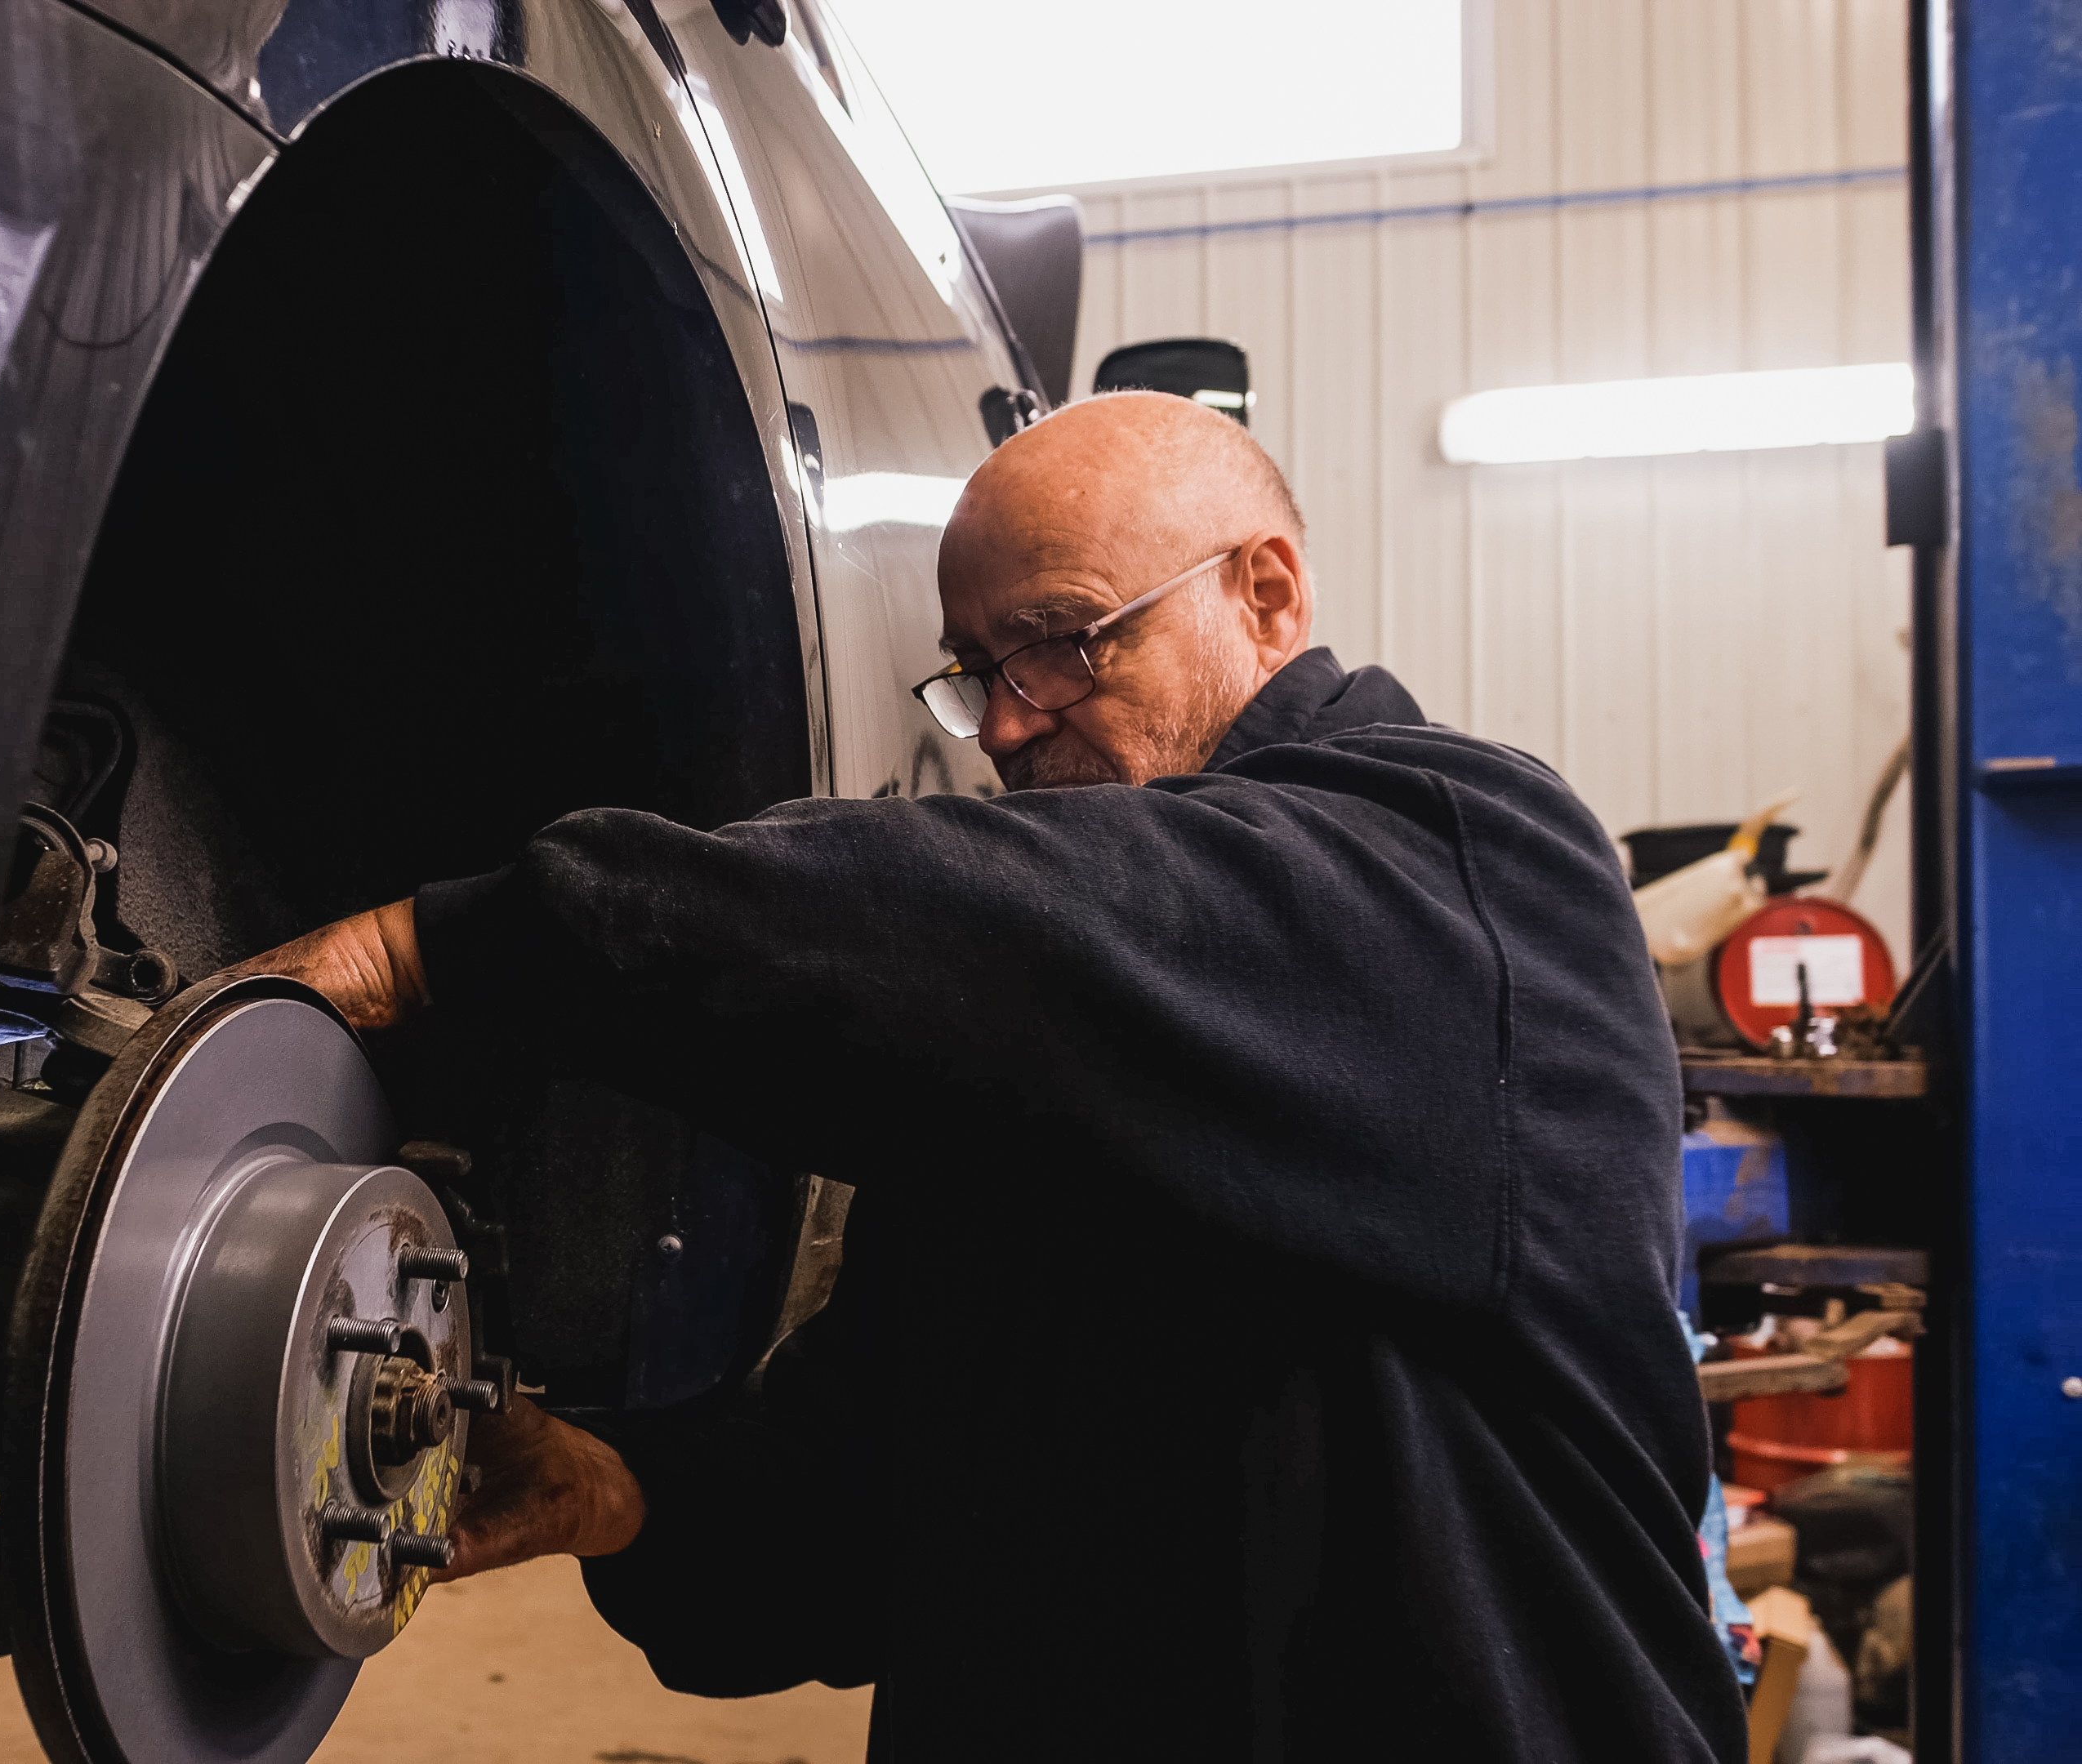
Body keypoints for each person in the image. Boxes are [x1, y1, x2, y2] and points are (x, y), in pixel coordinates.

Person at [248, 393, 1747, 1759]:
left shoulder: (1471, 874)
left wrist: (440, 948)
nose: (1014, 720)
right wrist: (613, 1491)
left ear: (1266, 590)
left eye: (1066, 642)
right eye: (979, 672)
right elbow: (892, 1502)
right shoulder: (1052, 1071)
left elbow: (1016, 922)